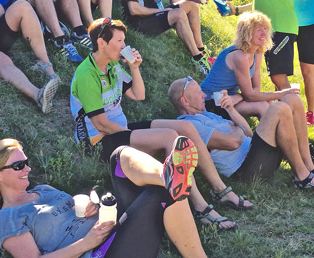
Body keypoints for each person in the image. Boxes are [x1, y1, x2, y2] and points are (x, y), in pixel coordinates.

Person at [0, 138, 253, 258]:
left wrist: (90, 201)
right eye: (19, 166)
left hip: (111, 226)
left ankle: (167, 175)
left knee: (119, 155)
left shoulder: (43, 190)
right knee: (161, 195)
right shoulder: (7, 219)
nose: (28, 169)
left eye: (26, 162)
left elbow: (74, 205)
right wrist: (87, 242)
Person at [70, 17, 255, 229]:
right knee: (170, 137)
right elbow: (101, 124)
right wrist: (137, 136)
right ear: (102, 43)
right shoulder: (87, 74)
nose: (124, 46)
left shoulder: (113, 67)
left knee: (186, 128)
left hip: (120, 131)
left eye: (124, 40)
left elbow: (138, 95)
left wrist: (135, 68)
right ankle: (200, 207)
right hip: (98, 140)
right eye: (119, 41)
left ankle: (220, 190)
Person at [169, 76, 314, 190]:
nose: (204, 95)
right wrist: (237, 129)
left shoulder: (206, 115)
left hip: (256, 155)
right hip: (247, 170)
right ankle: (302, 177)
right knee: (278, 108)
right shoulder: (191, 124)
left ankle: (309, 168)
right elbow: (232, 142)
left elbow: (248, 133)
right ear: (185, 101)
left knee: (292, 99)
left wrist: (231, 110)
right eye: (198, 93)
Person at [200, 12, 299, 119]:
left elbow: (256, 89)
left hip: (230, 99)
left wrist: (238, 97)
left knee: (269, 103)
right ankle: (267, 130)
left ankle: (280, 130)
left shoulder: (257, 52)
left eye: (265, 29)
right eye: (258, 30)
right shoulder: (239, 56)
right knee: (262, 105)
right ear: (246, 33)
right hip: (211, 101)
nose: (264, 33)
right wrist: (281, 94)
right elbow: (250, 95)